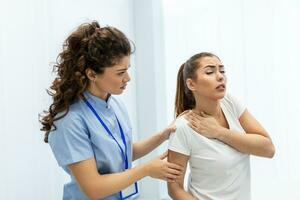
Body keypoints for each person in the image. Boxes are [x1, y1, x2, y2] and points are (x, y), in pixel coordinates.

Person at [40, 21, 183, 200]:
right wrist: (146, 169)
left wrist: (164, 134)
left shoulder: (114, 104)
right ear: (92, 74)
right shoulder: (69, 120)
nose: (128, 78)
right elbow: (93, 188)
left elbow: (121, 154)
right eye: (120, 73)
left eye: (127, 70)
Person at [167, 52, 275, 200]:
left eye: (222, 71)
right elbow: (174, 188)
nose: (220, 76)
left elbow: (268, 149)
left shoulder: (230, 104)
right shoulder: (184, 127)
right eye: (210, 72)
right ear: (191, 84)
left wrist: (219, 132)